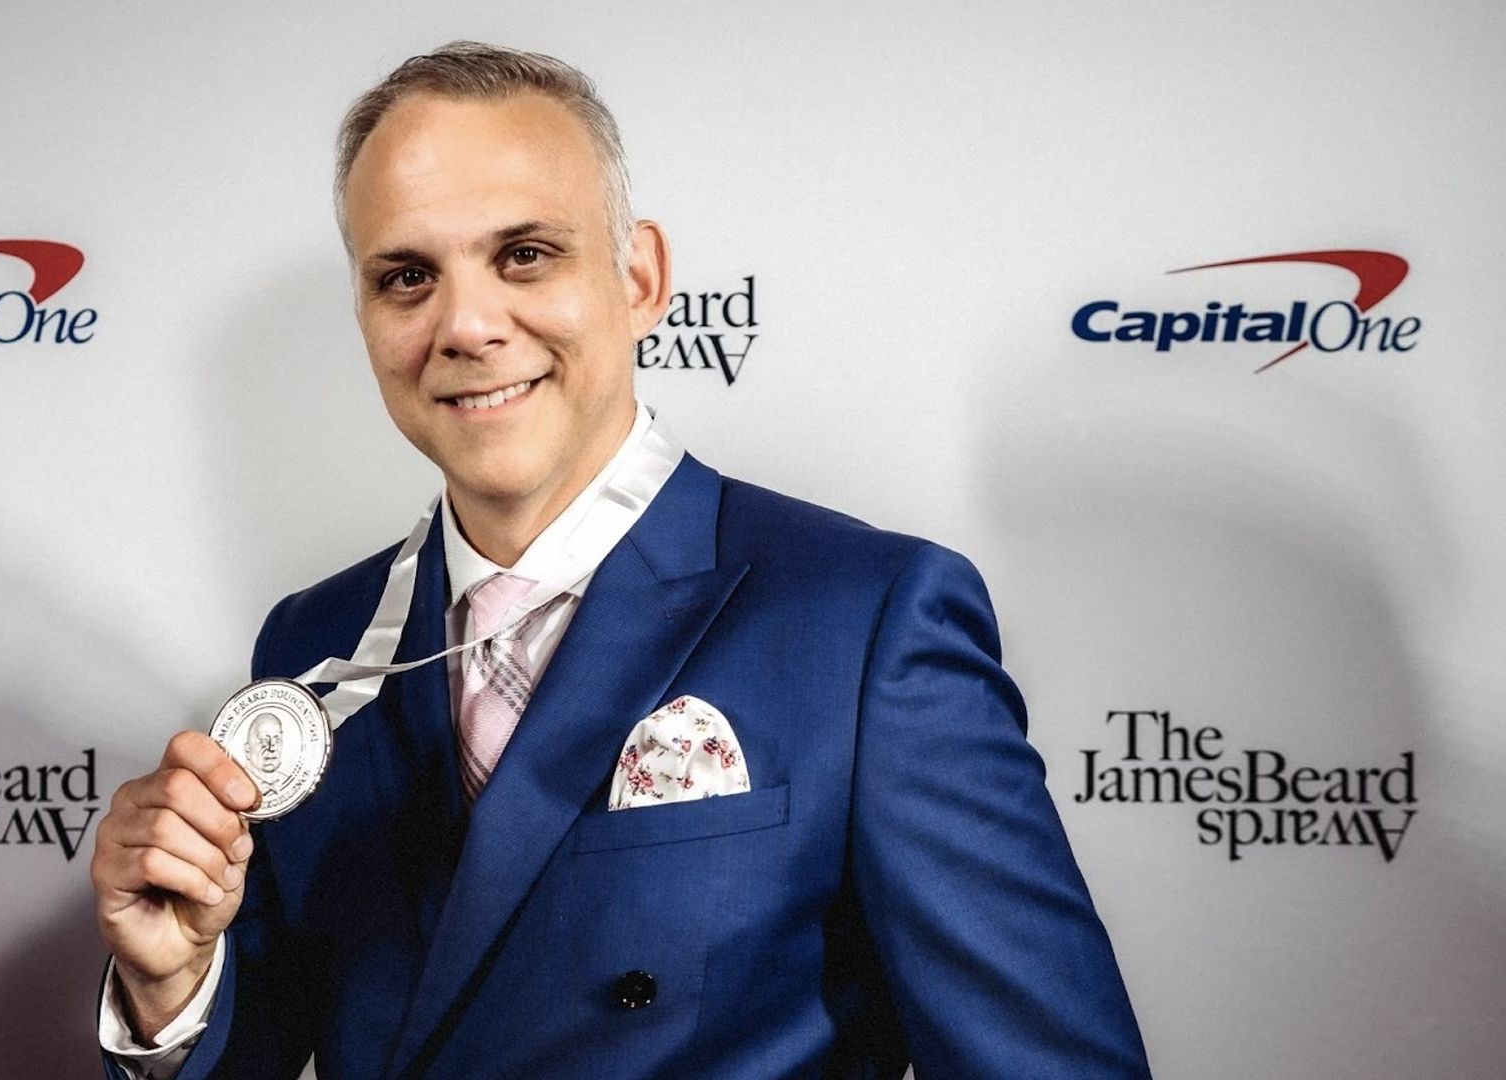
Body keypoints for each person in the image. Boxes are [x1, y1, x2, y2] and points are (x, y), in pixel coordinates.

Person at [91, 41, 1150, 1079]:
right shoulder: (313, 644)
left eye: (524, 255)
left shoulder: (867, 621)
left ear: (640, 278)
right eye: (407, 276)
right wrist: (172, 990)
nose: (464, 325)